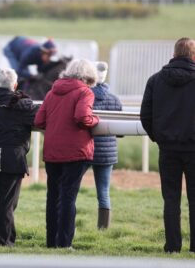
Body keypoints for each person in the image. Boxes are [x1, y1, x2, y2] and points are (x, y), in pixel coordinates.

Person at [34, 59, 99, 249]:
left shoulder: (52, 92)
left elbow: (39, 120)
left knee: (53, 197)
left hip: (52, 152)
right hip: (76, 152)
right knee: (68, 198)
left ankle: (51, 243)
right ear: (87, 77)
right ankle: (64, 244)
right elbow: (82, 117)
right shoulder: (85, 91)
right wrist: (95, 119)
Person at [140, 37, 195, 253]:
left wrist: (159, 137)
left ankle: (172, 246)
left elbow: (146, 116)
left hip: (168, 149)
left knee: (171, 199)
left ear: (174, 55)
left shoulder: (155, 80)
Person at [0, 68, 37, 246]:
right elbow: (35, 115)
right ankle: (5, 240)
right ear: (15, 85)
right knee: (7, 203)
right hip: (12, 159)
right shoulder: (22, 104)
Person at [90, 62, 122, 229]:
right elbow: (122, 131)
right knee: (104, 192)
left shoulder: (84, 96)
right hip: (107, 153)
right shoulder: (114, 100)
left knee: (70, 190)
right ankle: (103, 229)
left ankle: (65, 224)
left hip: (86, 149)